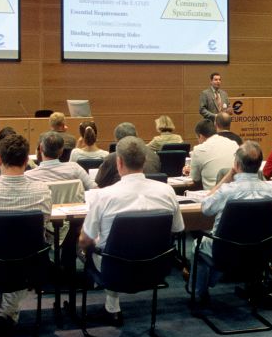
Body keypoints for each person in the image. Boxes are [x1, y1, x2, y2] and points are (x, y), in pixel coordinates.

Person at [79, 136, 184, 325]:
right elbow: (178, 229)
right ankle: (112, 308)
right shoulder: (167, 191)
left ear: (118, 162)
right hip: (155, 267)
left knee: (97, 244)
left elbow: (85, 240)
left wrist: (91, 244)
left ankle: (111, 308)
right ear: (144, 161)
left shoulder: (104, 196)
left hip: (114, 269)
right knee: (112, 246)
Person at [0, 134, 55, 334]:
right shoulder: (43, 192)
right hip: (26, 266)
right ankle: (7, 314)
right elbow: (46, 219)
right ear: (27, 160)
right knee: (21, 255)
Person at [192, 141, 272, 303]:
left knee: (197, 245)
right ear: (259, 165)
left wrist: (226, 177)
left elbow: (205, 207)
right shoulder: (270, 191)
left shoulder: (227, 191)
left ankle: (199, 294)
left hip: (226, 251)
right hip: (258, 250)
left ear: (237, 165)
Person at [94, 122, 161, 188]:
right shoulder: (154, 156)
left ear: (117, 140)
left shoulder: (112, 158)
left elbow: (99, 183)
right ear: (136, 136)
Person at [27, 131, 95, 192]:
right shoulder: (75, 168)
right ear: (61, 151)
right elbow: (95, 189)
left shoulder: (29, 176)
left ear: (41, 148)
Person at [186, 118, 238, 189]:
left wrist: (191, 170)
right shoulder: (233, 143)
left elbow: (195, 178)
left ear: (200, 136)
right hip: (235, 191)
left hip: (213, 192)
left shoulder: (199, 149)